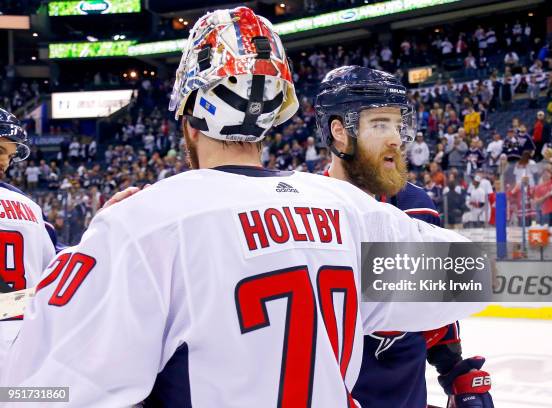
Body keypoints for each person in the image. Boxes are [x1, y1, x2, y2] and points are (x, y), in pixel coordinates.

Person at [1, 9, 482, 406]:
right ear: (275, 114)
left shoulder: (143, 223)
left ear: (189, 117)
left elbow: (36, 391)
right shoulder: (350, 210)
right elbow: (473, 278)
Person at [314, 65, 492, 408]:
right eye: (380, 124)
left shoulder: (415, 204)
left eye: (398, 124)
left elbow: (439, 305)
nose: (395, 137)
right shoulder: (306, 210)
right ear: (339, 131)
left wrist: (454, 372)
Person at [0, 108, 56, 373]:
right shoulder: (28, 205)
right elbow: (55, 270)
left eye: (9, 156)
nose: (6, 163)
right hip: (24, 348)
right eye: (1, 151)